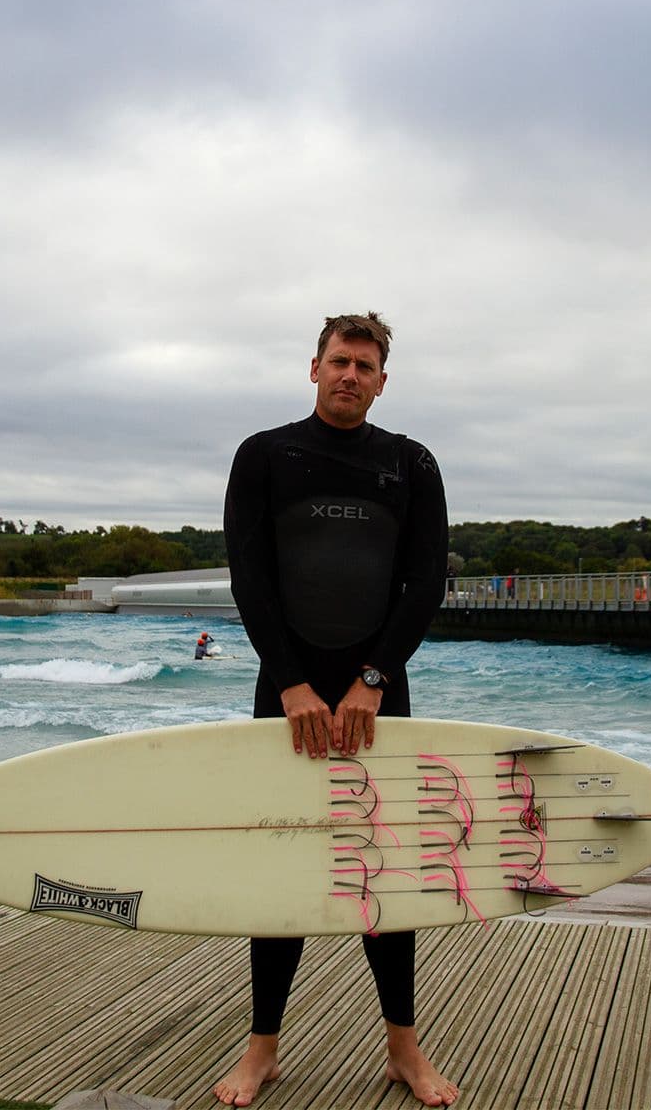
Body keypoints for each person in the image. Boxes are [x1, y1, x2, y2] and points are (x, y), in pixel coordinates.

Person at [217, 312, 455, 1108]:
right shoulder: (265, 455)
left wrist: (375, 678)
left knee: (382, 864)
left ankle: (403, 1052)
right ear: (312, 368)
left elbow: (424, 583)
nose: (350, 374)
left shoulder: (410, 462)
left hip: (376, 695)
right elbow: (249, 578)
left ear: (383, 380)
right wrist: (289, 683)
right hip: (285, 692)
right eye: (338, 361)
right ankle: (262, 1052)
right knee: (280, 861)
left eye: (365, 364)